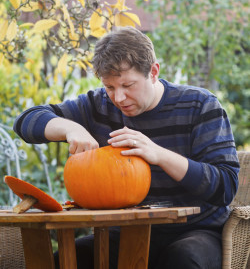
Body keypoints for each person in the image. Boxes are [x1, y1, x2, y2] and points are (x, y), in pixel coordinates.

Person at [14, 26, 240, 269]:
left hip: (194, 231)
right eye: (110, 87)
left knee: (181, 260)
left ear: (153, 72)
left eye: (128, 85)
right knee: (64, 261)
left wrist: (159, 155)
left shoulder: (200, 105)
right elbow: (25, 122)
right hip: (122, 234)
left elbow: (225, 187)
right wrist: (71, 129)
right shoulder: (98, 104)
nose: (118, 98)